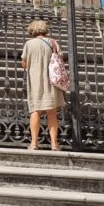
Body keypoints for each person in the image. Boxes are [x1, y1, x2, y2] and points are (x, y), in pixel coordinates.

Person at [21, 19, 65, 151]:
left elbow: (24, 64)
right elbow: (60, 60)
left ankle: (34, 143)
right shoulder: (53, 42)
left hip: (35, 81)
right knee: (52, 112)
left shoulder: (28, 44)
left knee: (35, 111)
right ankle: (54, 144)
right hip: (52, 81)